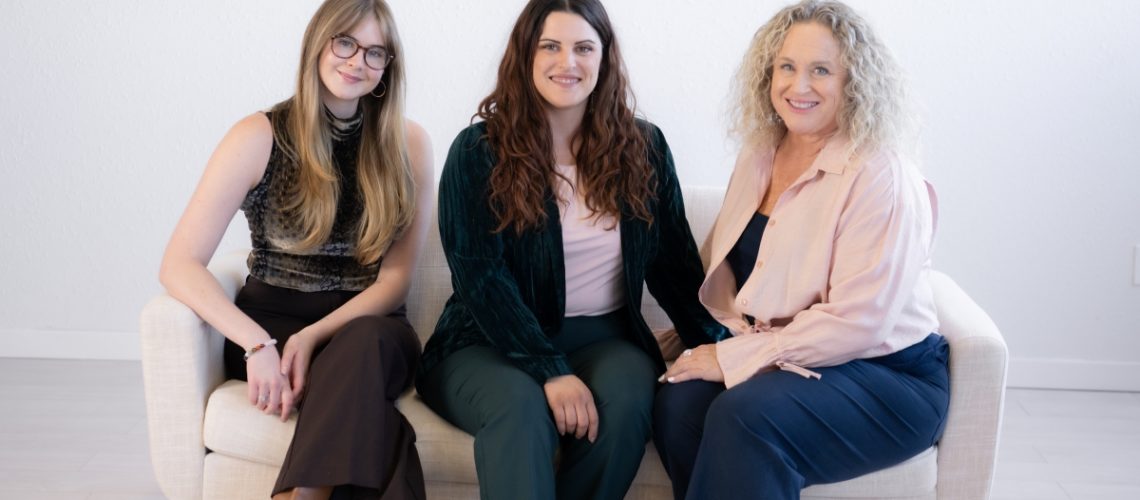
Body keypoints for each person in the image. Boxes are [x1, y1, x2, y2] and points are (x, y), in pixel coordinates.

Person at [414, 0, 727, 498]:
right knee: (521, 407)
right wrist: (548, 370)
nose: (569, 62)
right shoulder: (477, 151)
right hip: (485, 341)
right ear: (526, 56)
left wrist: (724, 348)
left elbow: (674, 266)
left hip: (606, 338)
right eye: (551, 47)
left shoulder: (644, 147)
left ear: (604, 58)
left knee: (626, 403)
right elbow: (481, 279)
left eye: (584, 47)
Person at [652, 1, 949, 499]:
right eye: (786, 67)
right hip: (789, 362)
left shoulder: (880, 173)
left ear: (853, 80)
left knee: (745, 415)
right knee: (678, 403)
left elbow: (860, 322)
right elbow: (738, 279)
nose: (799, 85)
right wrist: (695, 341)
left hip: (886, 375)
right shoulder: (760, 153)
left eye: (821, 70)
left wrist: (732, 358)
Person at [158, 0, 433, 498]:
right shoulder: (257, 135)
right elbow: (179, 263)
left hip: (371, 328)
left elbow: (395, 281)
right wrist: (257, 343)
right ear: (318, 43)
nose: (358, 62)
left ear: (389, 67)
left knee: (364, 344)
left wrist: (313, 338)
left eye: (376, 53)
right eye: (345, 42)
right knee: (374, 421)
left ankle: (301, 494)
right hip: (273, 322)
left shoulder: (408, 143)